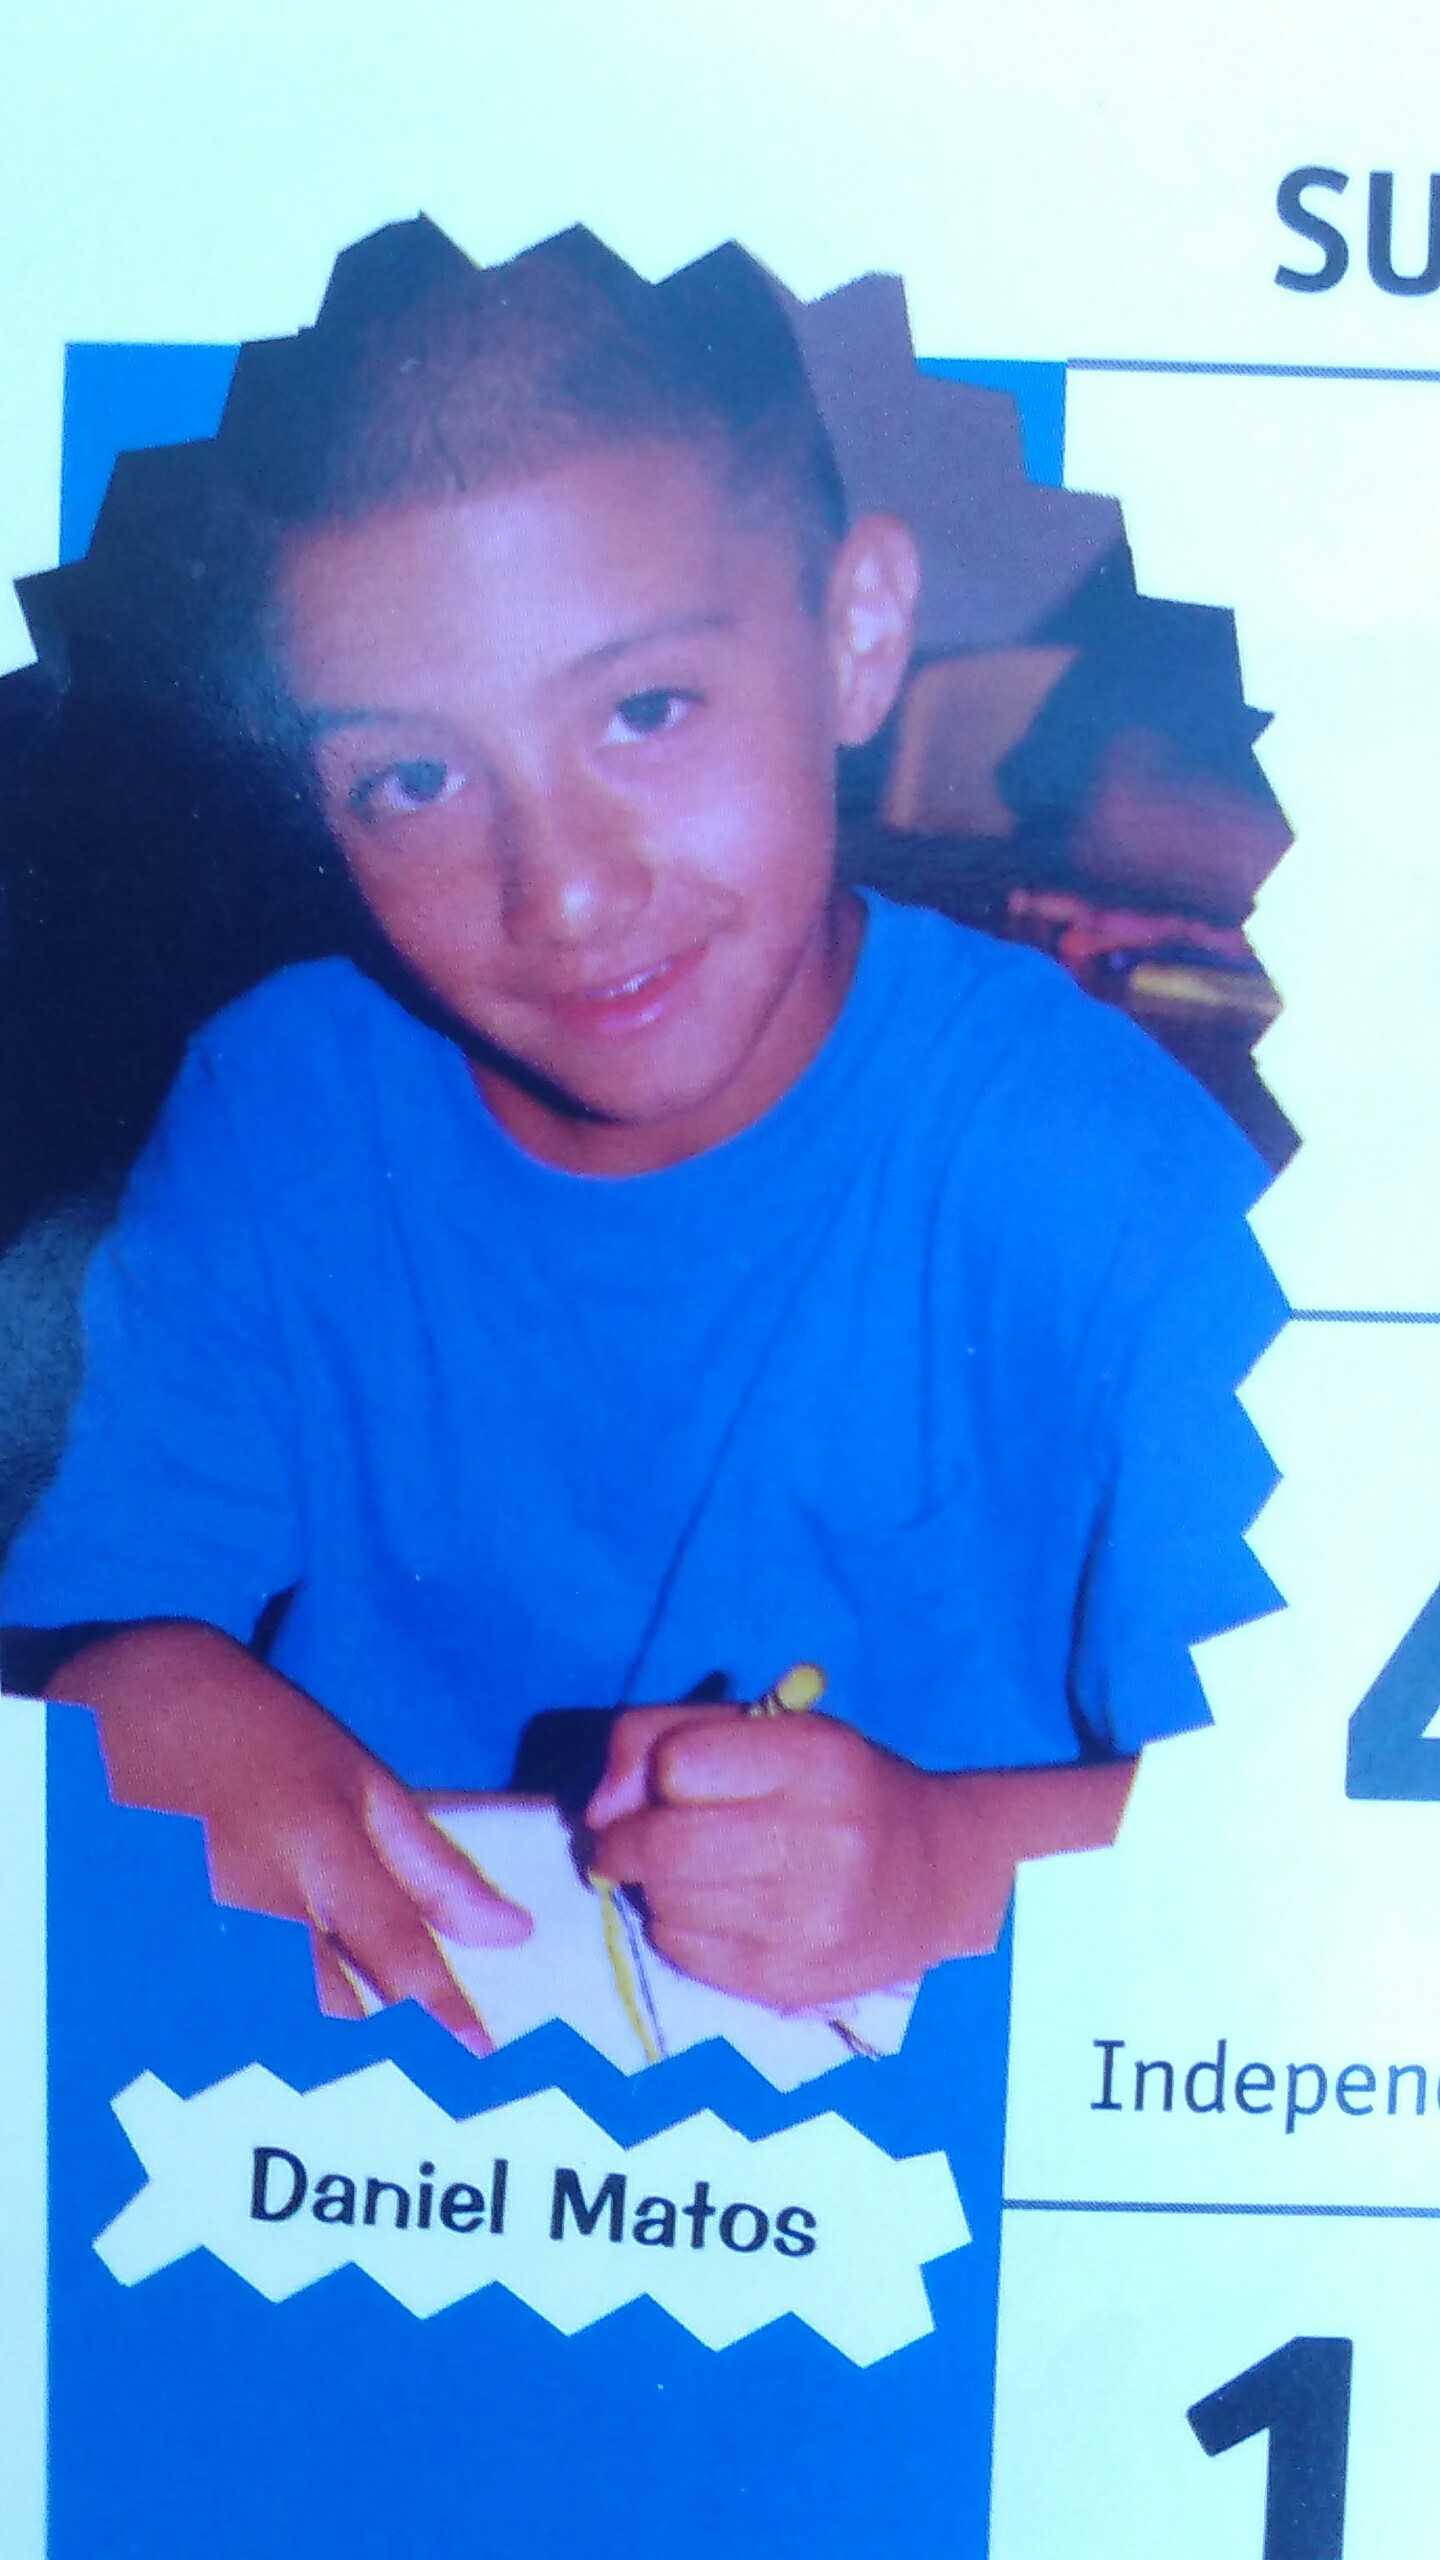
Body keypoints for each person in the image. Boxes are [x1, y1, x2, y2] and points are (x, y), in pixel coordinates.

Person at [0, 219, 1284, 2055]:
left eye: (646, 708)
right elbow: (96, 1649)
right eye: (413, 778)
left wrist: (953, 1862)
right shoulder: (279, 1106)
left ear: (856, 637)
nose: (566, 892)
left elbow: (1303, 1827)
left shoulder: (1111, 1179)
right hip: (387, 2139)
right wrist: (140, 1690)